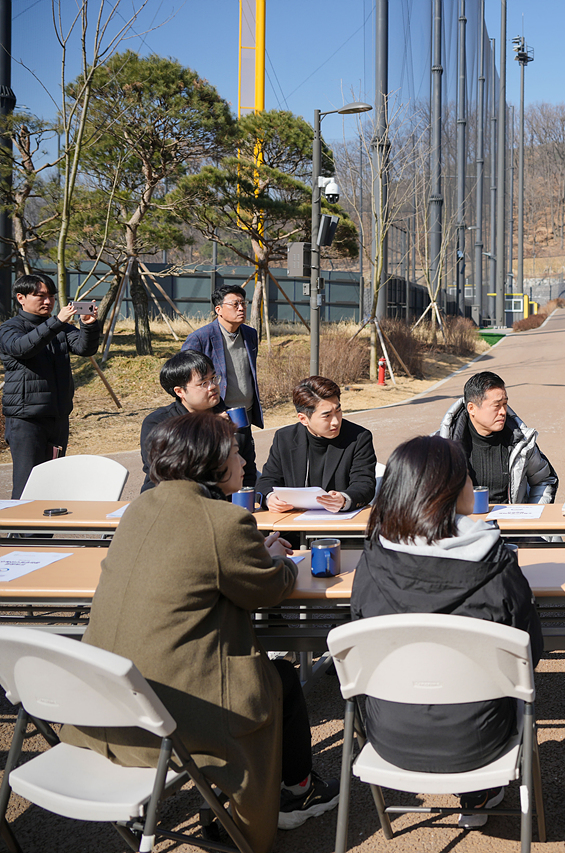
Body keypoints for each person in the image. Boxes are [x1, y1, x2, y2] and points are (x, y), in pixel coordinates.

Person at [58, 412, 340, 853]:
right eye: (234, 452)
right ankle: (295, 792)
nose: (244, 461)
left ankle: (244, 798)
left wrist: (251, 553)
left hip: (108, 704)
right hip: (176, 714)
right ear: (210, 463)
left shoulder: (140, 507)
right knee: (280, 679)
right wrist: (278, 560)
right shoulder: (222, 522)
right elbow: (267, 588)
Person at [351, 434, 543, 826]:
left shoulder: (370, 562)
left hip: (389, 739)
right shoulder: (496, 562)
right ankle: (479, 795)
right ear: (450, 491)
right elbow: (530, 652)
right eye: (467, 477)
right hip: (479, 742)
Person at [0, 273, 100, 498]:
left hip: (57, 418)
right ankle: (21, 533)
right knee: (28, 486)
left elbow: (85, 348)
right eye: (41, 296)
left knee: (52, 486)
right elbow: (23, 348)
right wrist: (56, 322)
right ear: (21, 298)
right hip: (27, 421)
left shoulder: (60, 329)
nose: (48, 301)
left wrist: (89, 326)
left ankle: (44, 533)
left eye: (52, 296)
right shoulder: (9, 328)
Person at [139, 350, 255, 492]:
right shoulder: (158, 423)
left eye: (213, 378)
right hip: (167, 498)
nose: (212, 386)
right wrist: (207, 427)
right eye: (203, 383)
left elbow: (248, 472)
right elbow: (164, 473)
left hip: (225, 501)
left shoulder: (234, 418)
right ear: (179, 391)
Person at [258, 376, 377, 513]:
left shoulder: (358, 437)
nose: (336, 422)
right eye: (327, 416)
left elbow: (364, 484)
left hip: (338, 526)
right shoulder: (285, 438)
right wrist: (270, 498)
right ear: (303, 419)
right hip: (292, 524)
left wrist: (344, 499)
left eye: (338, 411)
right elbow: (267, 481)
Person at [181, 283, 262, 484]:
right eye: (235, 304)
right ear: (218, 309)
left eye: (243, 303)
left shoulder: (250, 334)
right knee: (219, 474)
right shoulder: (200, 338)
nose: (241, 308)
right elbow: (182, 379)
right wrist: (208, 414)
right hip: (216, 418)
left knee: (247, 471)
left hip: (244, 416)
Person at [437, 371, 558, 504]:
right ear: (471, 408)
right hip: (464, 522)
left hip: (511, 523)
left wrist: (532, 515)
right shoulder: (441, 445)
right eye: (496, 406)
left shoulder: (520, 441)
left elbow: (545, 480)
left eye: (505, 404)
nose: (503, 412)